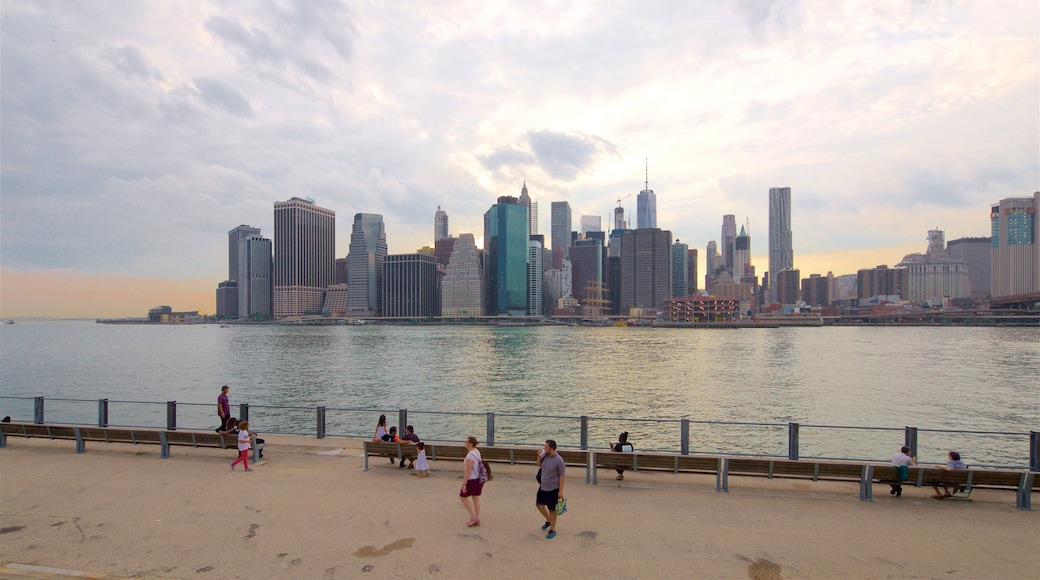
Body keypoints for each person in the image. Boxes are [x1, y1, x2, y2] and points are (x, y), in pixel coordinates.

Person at [536, 439, 566, 540]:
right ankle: (549, 520)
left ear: (551, 449)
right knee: (539, 505)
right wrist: (539, 456)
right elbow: (538, 464)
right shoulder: (544, 456)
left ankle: (552, 529)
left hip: (553, 488)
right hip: (543, 486)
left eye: (546, 447)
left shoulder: (559, 460)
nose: (544, 448)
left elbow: (562, 476)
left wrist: (561, 491)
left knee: (552, 509)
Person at [459, 436, 483, 527]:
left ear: (470, 444)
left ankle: (474, 517)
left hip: (472, 480)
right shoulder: (477, 451)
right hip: (478, 479)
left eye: (466, 442)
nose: (465, 443)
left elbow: (468, 471)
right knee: (476, 498)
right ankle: (477, 517)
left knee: (462, 497)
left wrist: (464, 484)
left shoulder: (470, 456)